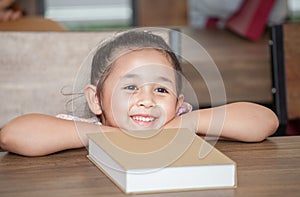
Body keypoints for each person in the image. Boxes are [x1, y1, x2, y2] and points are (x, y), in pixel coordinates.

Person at [0, 30, 279, 156]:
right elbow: (11, 135)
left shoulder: (177, 123)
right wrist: (111, 137)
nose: (147, 100)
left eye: (161, 89)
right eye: (131, 87)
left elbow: (264, 121)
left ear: (178, 103)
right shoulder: (89, 128)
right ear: (95, 100)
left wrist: (184, 123)